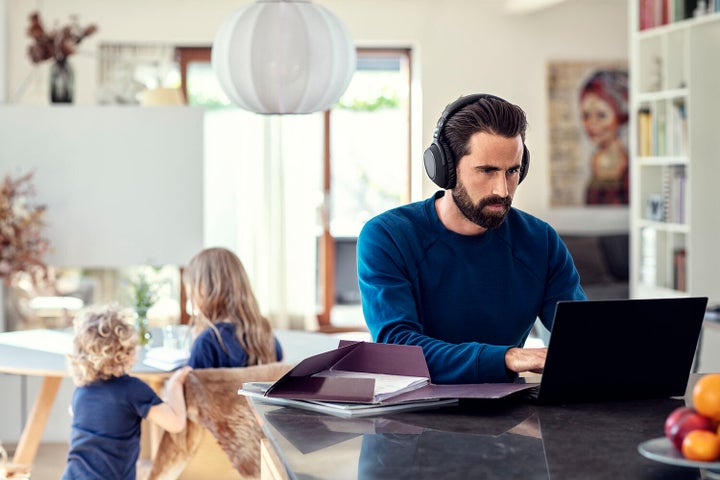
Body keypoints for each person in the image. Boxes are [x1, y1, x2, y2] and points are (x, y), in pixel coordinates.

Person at [357, 93, 586, 384]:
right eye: (487, 171)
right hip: (412, 415)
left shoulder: (541, 241)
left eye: (512, 171)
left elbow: (582, 340)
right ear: (446, 169)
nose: (503, 190)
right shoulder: (388, 237)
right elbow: (398, 350)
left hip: (508, 413)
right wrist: (508, 357)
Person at [62, 304, 191, 480]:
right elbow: (175, 423)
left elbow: (74, 412)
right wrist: (174, 386)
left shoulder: (81, 392)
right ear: (126, 350)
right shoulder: (133, 390)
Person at [183, 247, 283, 369]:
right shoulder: (267, 337)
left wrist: (198, 342)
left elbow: (191, 386)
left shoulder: (207, 343)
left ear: (202, 289)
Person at [579, 69, 629, 205]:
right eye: (586, 115)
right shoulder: (595, 163)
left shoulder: (629, 169)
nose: (591, 124)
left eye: (601, 115)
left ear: (620, 117)